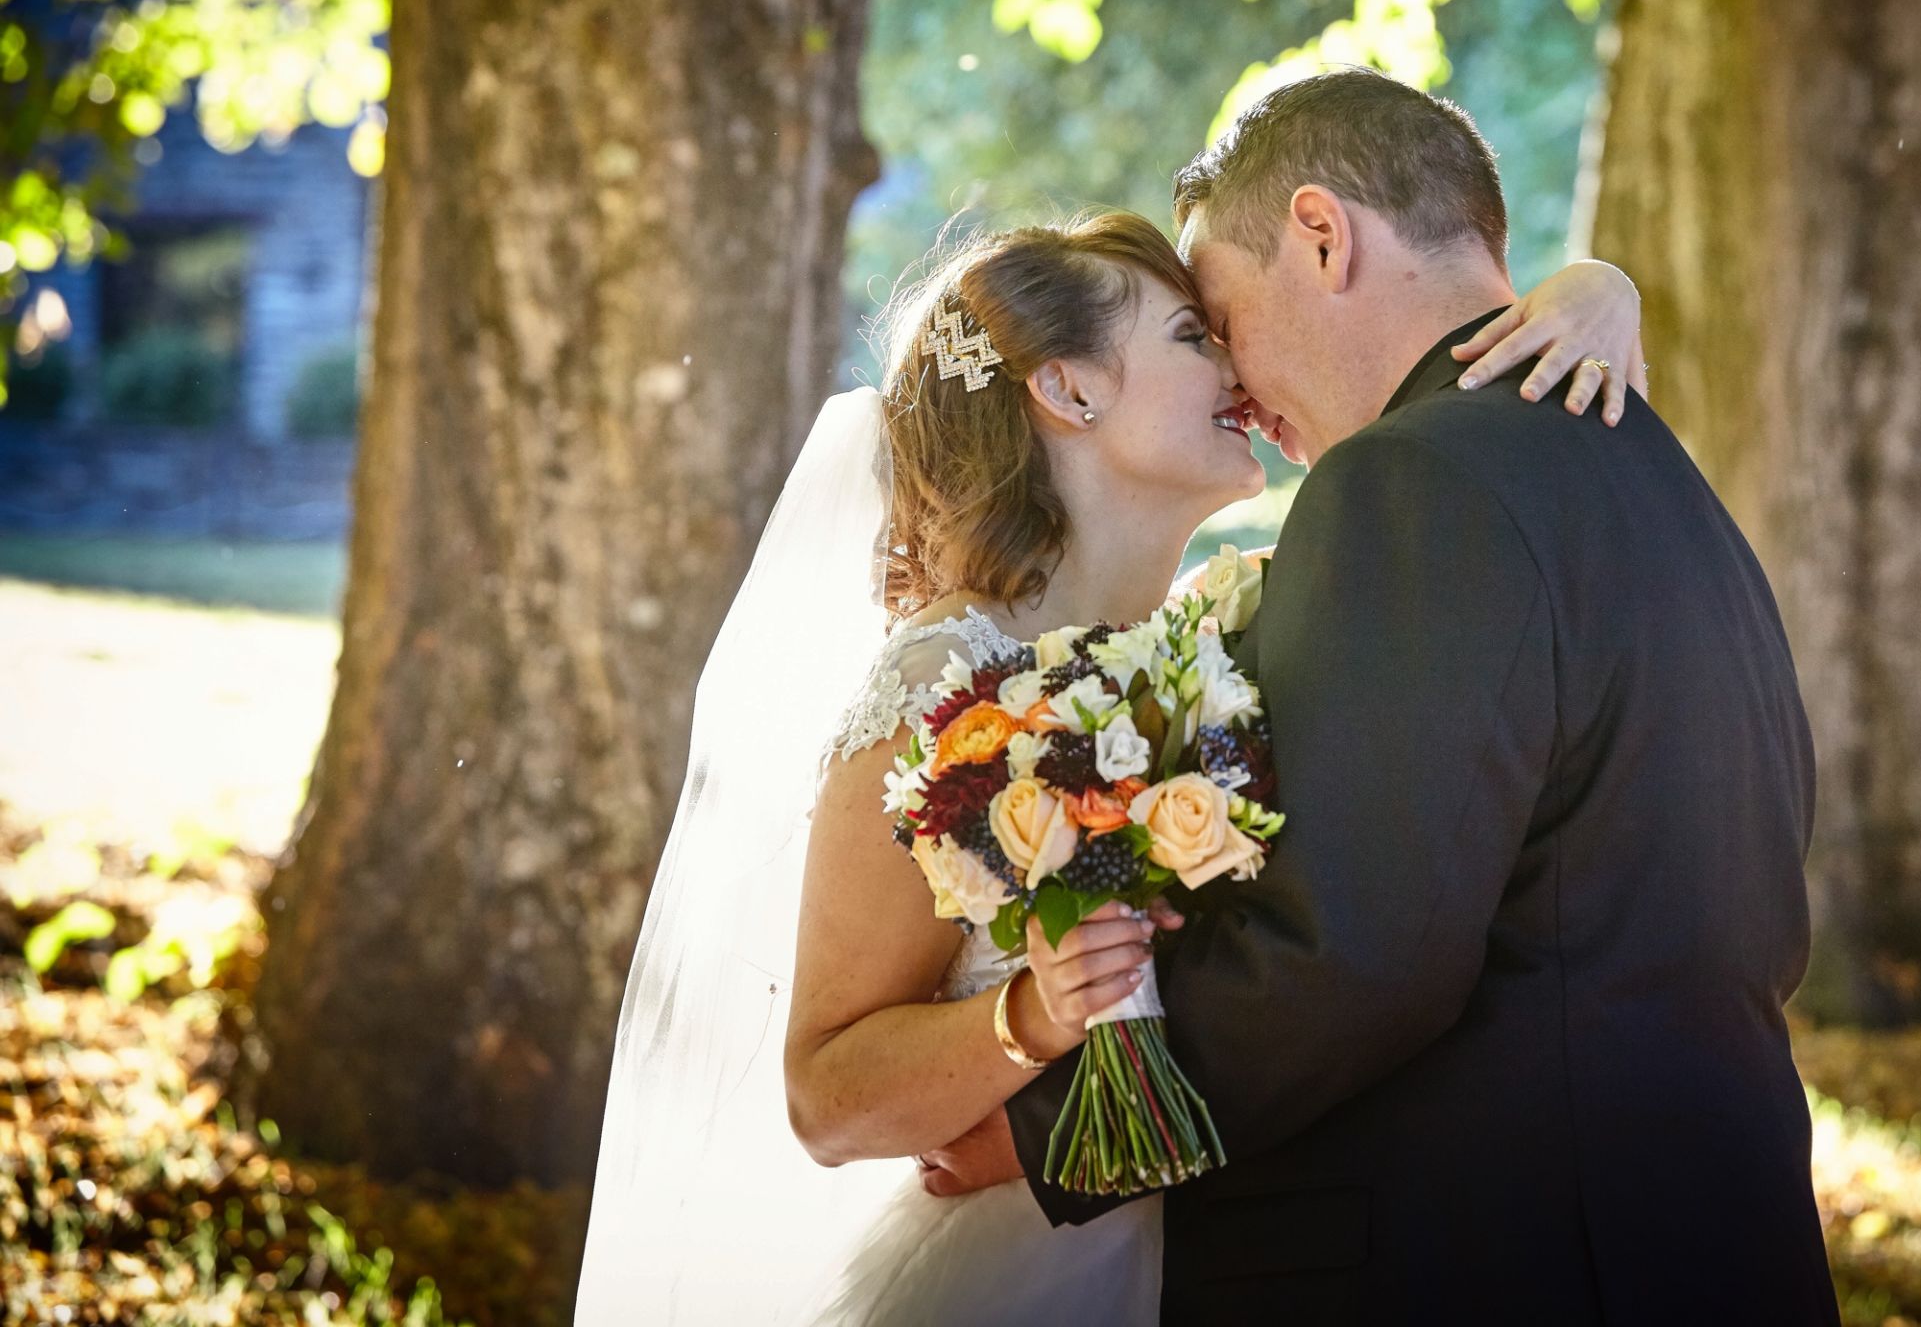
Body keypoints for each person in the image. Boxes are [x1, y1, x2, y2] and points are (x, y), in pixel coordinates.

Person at [573, 200, 1648, 1324]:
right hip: (1015, 1276)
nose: (1238, 362)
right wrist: (1028, 1021)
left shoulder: (1224, 637)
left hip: (1243, 1258)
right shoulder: (940, 685)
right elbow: (825, 1096)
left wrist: (1600, 288)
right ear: (1070, 389)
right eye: (1193, 336)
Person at [1000, 69, 1842, 1323]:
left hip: (1495, 1256)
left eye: (1222, 316)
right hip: (1711, 1234)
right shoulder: (1658, 473)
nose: (1233, 381)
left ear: (1323, 236)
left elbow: (1356, 957)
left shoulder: (1410, 483)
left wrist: (1043, 1145)